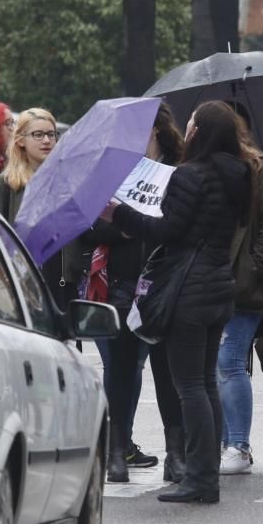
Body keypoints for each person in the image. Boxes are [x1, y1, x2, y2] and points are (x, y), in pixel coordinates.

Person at [102, 101, 252, 504]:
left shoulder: (190, 175)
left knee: (189, 386)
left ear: (200, 131)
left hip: (188, 291)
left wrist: (119, 215)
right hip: (218, 285)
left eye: (191, 125)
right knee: (204, 383)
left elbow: (166, 229)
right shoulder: (238, 174)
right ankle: (207, 476)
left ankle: (200, 478)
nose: (185, 131)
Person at [91, 103, 185, 484]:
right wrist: (126, 229)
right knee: (122, 370)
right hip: (123, 283)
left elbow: (181, 225)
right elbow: (93, 228)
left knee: (167, 371)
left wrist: (143, 225)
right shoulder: (115, 175)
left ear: (158, 131)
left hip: (164, 284)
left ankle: (175, 453)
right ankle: (115, 452)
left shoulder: (178, 173)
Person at [218, 134, 263, 475]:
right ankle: (221, 443)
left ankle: (238, 445)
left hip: (248, 288)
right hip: (216, 282)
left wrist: (250, 272)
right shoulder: (211, 171)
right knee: (217, 365)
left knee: (229, 359)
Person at [0, 108, 80, 304]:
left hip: (63, 286)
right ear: (20, 140)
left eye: (51, 134)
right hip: (22, 287)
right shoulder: (4, 186)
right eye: (38, 135)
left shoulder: (68, 183)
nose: (47, 141)